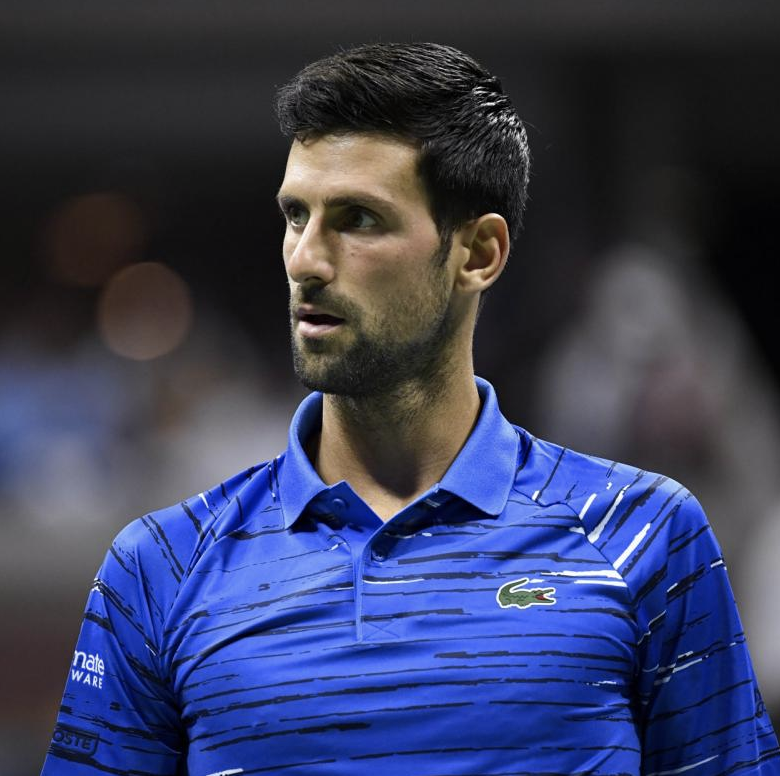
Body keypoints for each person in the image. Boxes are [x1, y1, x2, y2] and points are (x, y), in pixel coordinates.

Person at [41, 42, 779, 776]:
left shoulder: (648, 535)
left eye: (358, 219)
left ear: (479, 253)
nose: (305, 259)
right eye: (296, 216)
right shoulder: (159, 568)